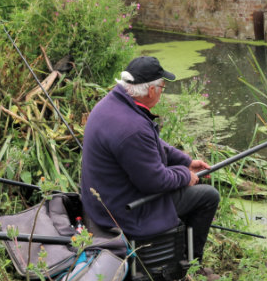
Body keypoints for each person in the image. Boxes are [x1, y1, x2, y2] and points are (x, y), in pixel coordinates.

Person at [80, 56, 219, 263]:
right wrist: (185, 175)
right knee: (208, 196)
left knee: (192, 190)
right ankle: (189, 264)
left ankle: (179, 250)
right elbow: (154, 181)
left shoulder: (112, 104)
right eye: (163, 87)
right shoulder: (132, 128)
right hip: (123, 210)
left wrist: (184, 161)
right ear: (151, 91)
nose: (163, 91)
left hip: (104, 200)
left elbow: (151, 145)